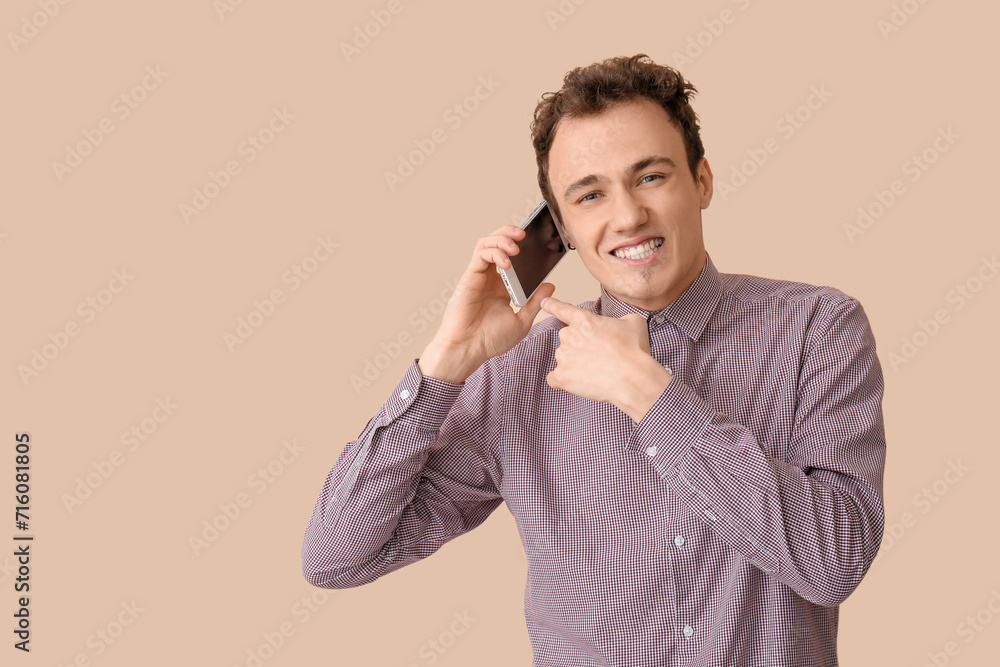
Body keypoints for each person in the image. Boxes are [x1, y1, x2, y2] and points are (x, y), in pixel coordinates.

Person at [301, 53, 886, 666]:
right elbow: (336, 557)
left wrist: (653, 399)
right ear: (562, 230)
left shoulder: (819, 327)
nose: (628, 216)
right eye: (590, 195)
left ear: (702, 181)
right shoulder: (520, 369)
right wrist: (445, 364)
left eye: (651, 177)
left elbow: (833, 563)